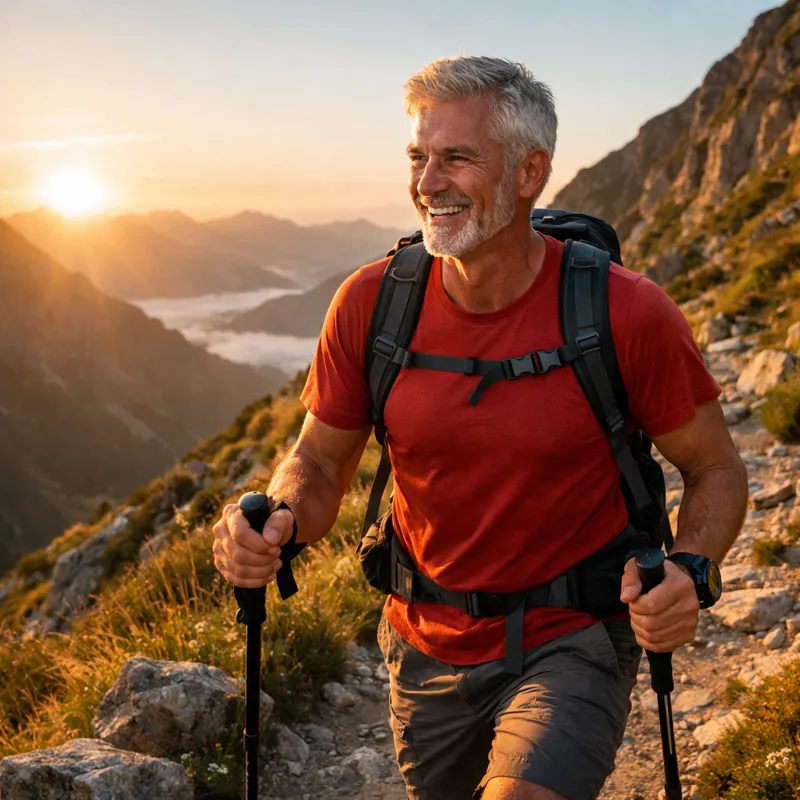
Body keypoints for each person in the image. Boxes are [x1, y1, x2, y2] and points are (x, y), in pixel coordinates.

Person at [212, 56, 749, 800]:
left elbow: (716, 467)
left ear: (530, 172)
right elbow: (320, 462)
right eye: (418, 157)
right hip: (422, 644)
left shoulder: (627, 313)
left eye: (457, 158)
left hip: (573, 635)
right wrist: (279, 516)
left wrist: (691, 568)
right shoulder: (371, 305)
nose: (428, 183)